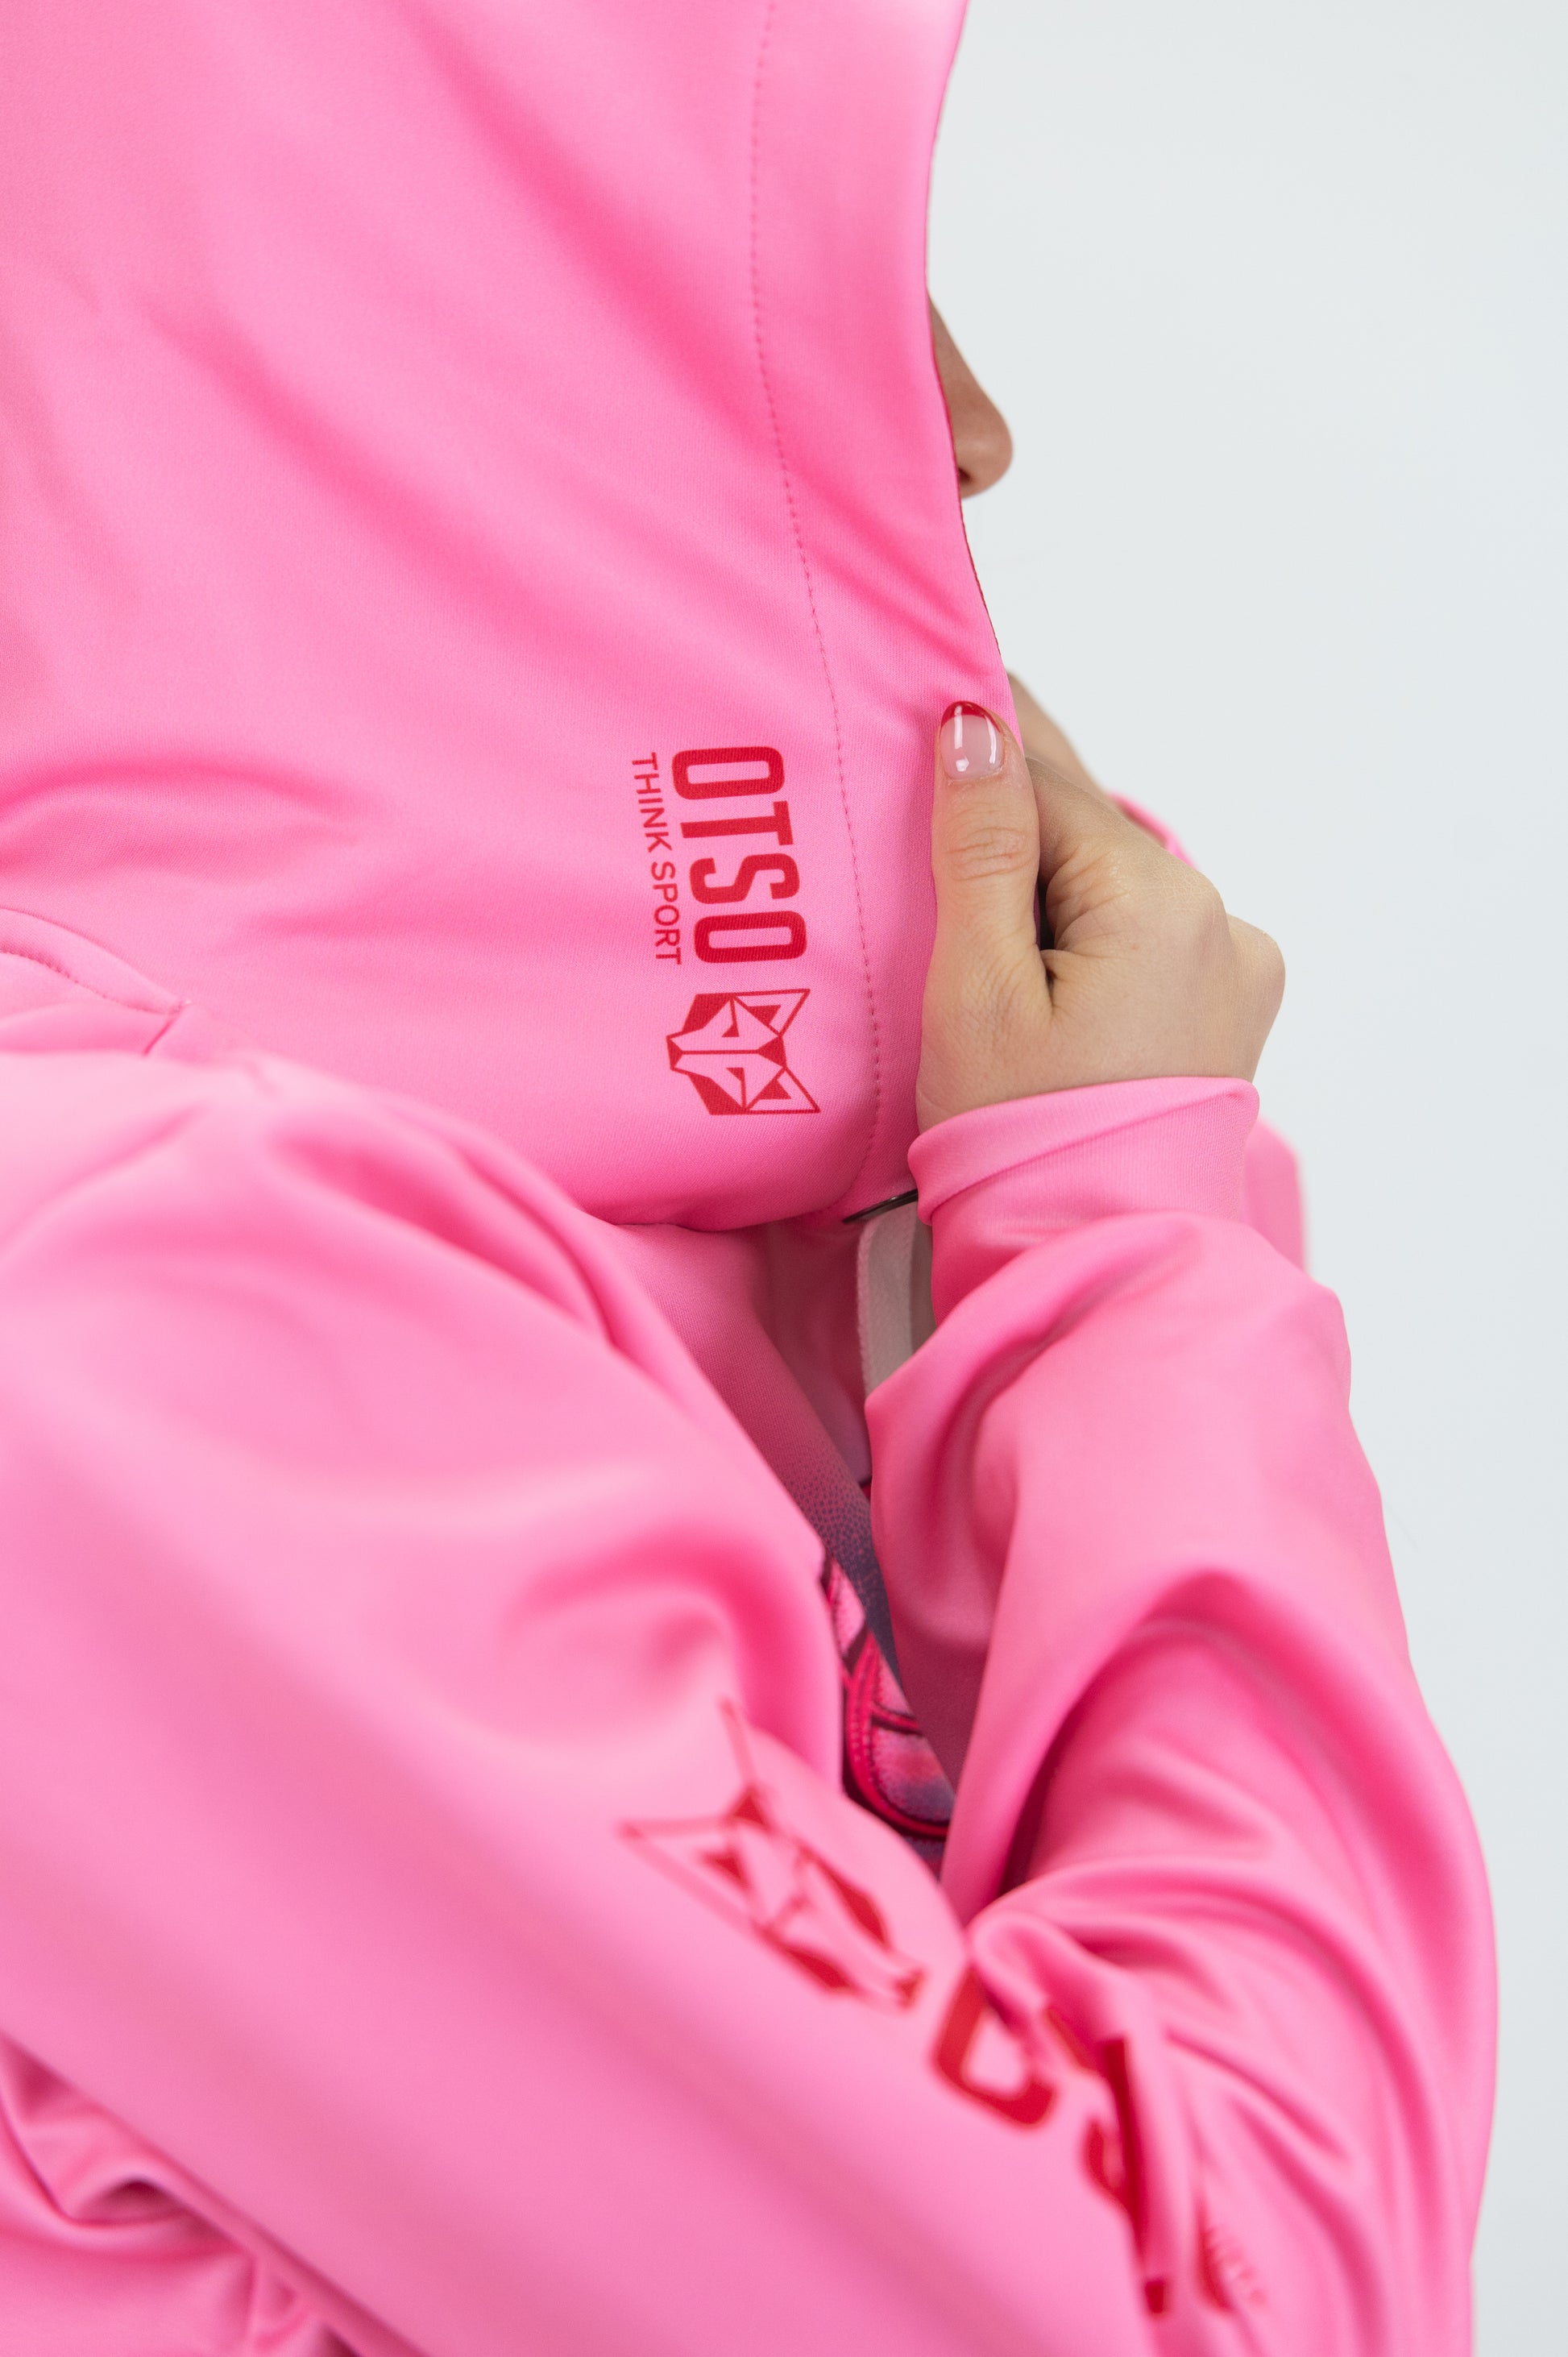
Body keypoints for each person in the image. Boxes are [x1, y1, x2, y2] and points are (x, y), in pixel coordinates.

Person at [0, 4, 1492, 2351]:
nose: (970, 437)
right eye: (747, 298)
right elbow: (1219, 2313)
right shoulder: (142, 1337)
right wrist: (1120, 1263)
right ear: (400, 371)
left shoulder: (358, 1261)